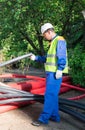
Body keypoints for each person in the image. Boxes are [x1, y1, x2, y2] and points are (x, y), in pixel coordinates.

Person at [30, 23, 68, 126]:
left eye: (44, 35)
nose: (44, 37)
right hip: (51, 73)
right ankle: (54, 116)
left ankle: (43, 118)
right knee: (53, 96)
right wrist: (36, 58)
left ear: (49, 32)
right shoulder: (52, 43)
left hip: (55, 73)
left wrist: (60, 69)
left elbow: (62, 56)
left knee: (49, 95)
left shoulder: (59, 40)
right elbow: (47, 59)